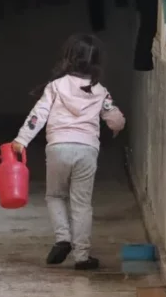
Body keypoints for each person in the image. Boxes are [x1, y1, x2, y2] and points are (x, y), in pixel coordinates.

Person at [10, 33, 125, 270]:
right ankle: (82, 257)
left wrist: (22, 140)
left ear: (69, 58)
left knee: (55, 196)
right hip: (87, 150)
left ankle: (63, 239)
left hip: (58, 149)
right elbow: (114, 118)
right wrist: (115, 129)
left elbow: (38, 115)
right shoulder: (100, 91)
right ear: (97, 62)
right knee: (82, 203)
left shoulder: (56, 87)